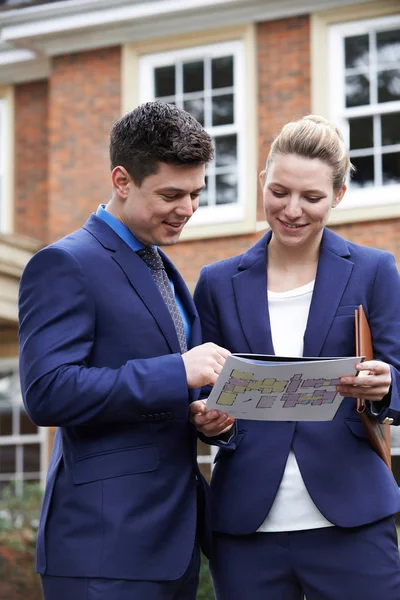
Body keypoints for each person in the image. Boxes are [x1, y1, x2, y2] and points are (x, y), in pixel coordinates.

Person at [18, 101, 229, 600]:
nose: (188, 209)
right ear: (121, 180)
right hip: (102, 552)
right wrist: (176, 373)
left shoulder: (162, 266)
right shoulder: (64, 264)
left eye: (197, 193)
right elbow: (47, 392)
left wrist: (202, 415)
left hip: (171, 543)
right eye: (171, 194)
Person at [191, 115, 400, 600]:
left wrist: (385, 384)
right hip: (246, 526)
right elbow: (204, 392)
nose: (292, 210)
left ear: (340, 195)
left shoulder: (374, 271)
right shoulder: (217, 282)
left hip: (352, 519)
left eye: (312, 197)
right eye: (280, 192)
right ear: (262, 181)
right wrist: (210, 420)